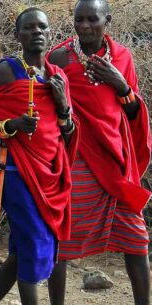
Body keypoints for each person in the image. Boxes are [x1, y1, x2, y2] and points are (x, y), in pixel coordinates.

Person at [46, 1, 150, 304]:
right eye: (80, 20)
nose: (86, 26)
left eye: (93, 19)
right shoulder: (59, 57)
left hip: (115, 159)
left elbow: (132, 111)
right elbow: (51, 113)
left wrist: (119, 84)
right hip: (77, 155)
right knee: (62, 239)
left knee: (137, 239)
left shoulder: (123, 57)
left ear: (108, 20)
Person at [0, 7, 78, 305]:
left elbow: (70, 132)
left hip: (52, 172)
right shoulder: (6, 72)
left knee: (23, 250)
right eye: (29, 28)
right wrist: (13, 125)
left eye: (42, 27)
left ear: (51, 34)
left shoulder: (58, 76)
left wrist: (61, 105)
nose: (36, 32)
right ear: (17, 35)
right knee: (34, 245)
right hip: (16, 173)